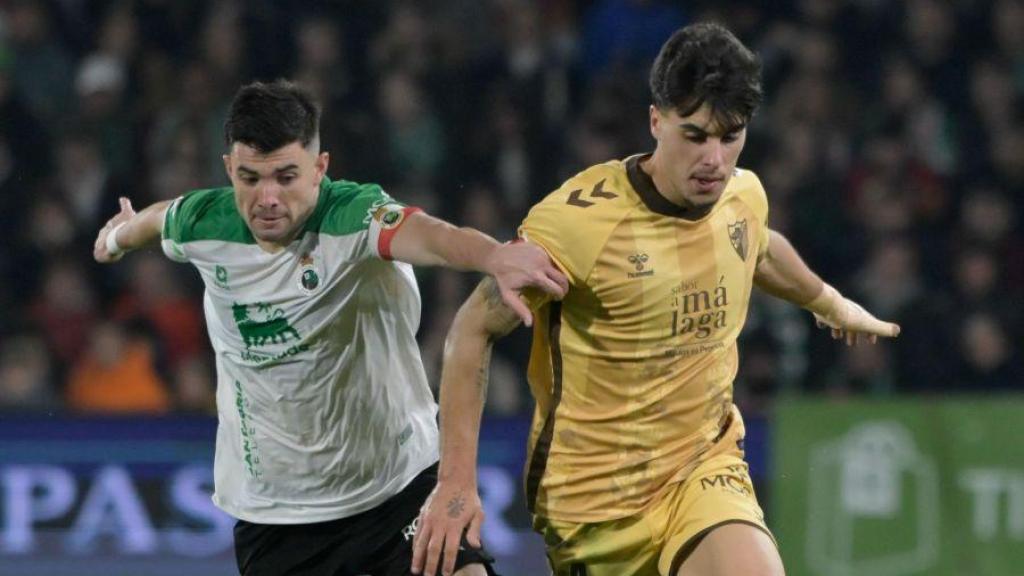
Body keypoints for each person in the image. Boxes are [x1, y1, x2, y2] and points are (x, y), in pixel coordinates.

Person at [412, 23, 900, 576]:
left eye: (730, 135)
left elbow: (758, 248)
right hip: (593, 508)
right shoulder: (578, 225)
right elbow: (473, 328)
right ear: (655, 121)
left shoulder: (742, 194)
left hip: (703, 468)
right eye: (694, 136)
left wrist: (828, 302)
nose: (714, 159)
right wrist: (455, 483)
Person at [92, 79, 567, 576]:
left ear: (320, 169)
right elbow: (157, 220)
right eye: (250, 178)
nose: (267, 197)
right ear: (229, 168)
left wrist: (493, 255)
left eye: (286, 176)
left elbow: (430, 236)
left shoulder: (352, 214)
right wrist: (120, 237)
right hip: (276, 516)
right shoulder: (204, 222)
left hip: (397, 488)